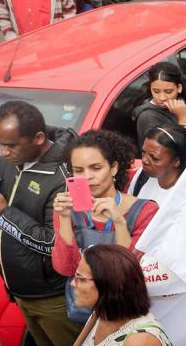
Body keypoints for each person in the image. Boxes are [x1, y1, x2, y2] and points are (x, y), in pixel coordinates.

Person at [0, 103, 76, 346]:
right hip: (21, 291)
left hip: (53, 296)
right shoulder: (12, 160)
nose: (3, 153)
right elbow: (4, 201)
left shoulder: (65, 176)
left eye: (10, 145)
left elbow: (56, 242)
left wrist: (4, 213)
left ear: (38, 138)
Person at [51, 130, 159, 317]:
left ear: (114, 168)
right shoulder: (66, 209)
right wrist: (65, 218)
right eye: (78, 170)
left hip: (125, 311)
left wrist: (119, 221)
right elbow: (65, 268)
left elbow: (129, 272)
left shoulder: (145, 210)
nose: (87, 177)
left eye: (96, 168)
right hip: (84, 310)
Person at [134, 60, 186, 147]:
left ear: (179, 88)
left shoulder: (184, 104)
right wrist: (183, 121)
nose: (162, 98)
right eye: (156, 91)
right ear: (150, 88)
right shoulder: (148, 117)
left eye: (168, 91)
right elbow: (179, 153)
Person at [132, 122, 186, 200]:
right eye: (143, 153)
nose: (144, 160)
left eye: (154, 158)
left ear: (177, 161)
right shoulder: (141, 176)